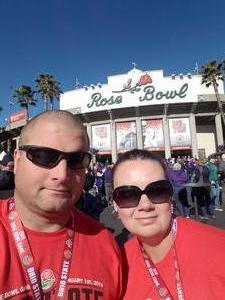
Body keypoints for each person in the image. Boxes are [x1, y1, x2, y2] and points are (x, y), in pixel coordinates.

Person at [0, 110, 122, 299]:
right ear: (16, 160)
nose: (62, 174)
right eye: (44, 156)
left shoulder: (106, 245)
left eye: (76, 160)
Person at [112, 149, 225, 300]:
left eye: (158, 191)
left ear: (170, 197)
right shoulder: (116, 265)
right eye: (127, 195)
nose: (145, 205)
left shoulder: (218, 249)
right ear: (115, 206)